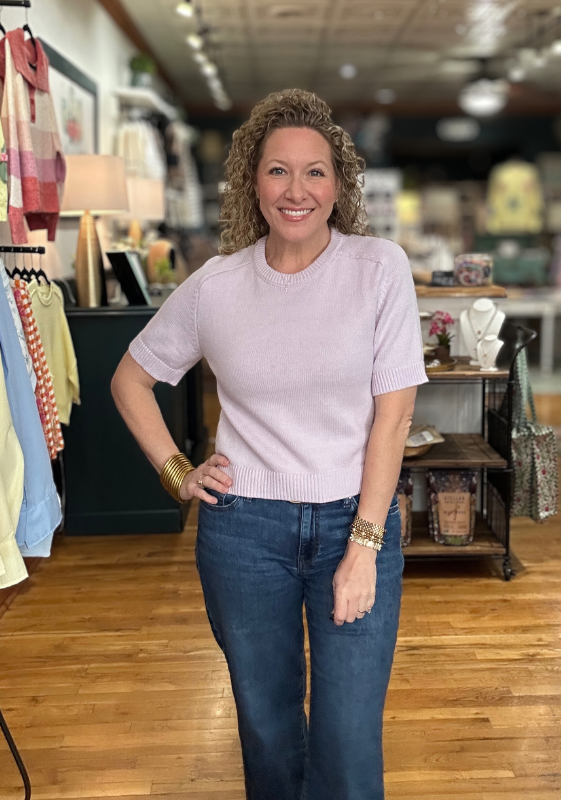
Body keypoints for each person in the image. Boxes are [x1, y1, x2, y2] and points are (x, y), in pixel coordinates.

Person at [111, 88, 427, 800]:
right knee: (266, 728)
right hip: (242, 531)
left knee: (348, 745)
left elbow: (394, 419)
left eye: (315, 172)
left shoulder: (379, 269)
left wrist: (364, 546)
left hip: (356, 521)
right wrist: (176, 472)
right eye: (278, 171)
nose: (296, 189)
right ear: (252, 182)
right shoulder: (215, 286)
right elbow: (130, 379)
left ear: (338, 185)